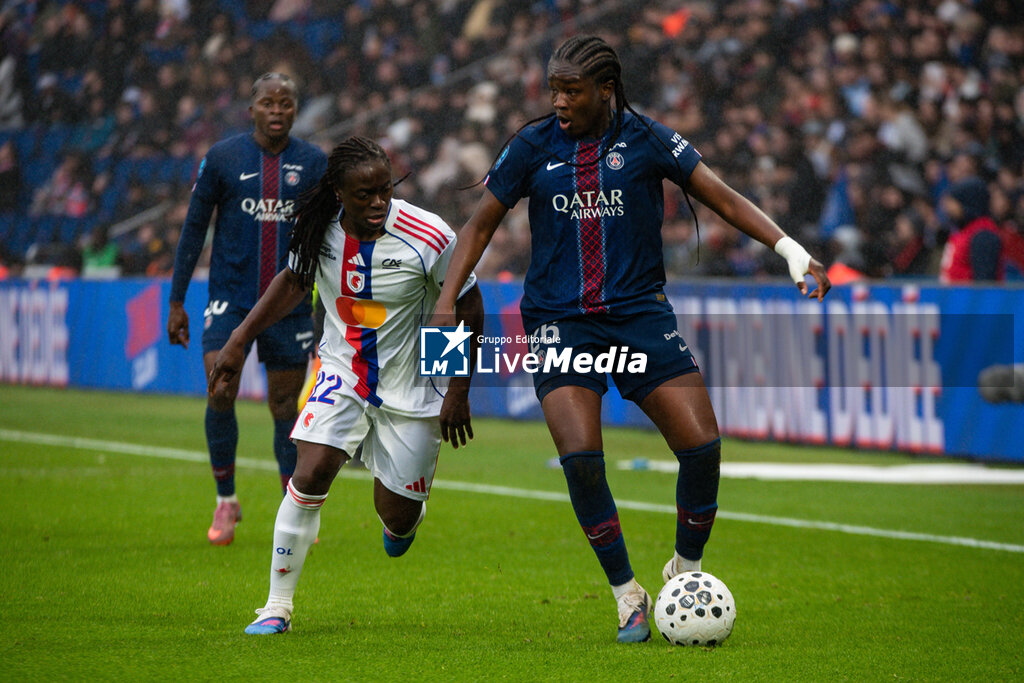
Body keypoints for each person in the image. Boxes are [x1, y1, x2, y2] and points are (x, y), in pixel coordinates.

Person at [432, 35, 830, 643]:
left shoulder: (648, 140)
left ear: (605, 90)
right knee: (582, 459)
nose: (560, 101)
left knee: (701, 448)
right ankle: (627, 595)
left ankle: (684, 573)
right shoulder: (532, 146)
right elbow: (480, 224)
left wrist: (790, 251)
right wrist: (443, 301)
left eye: (573, 90)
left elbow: (720, 196)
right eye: (555, 89)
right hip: (561, 324)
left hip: (640, 317)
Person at [208, 136, 483, 635]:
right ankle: (276, 607)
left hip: (414, 385)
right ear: (337, 191)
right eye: (364, 195)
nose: (378, 202)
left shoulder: (429, 234)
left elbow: (466, 305)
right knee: (308, 474)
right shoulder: (317, 229)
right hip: (343, 371)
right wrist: (239, 338)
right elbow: (293, 283)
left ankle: (404, 521)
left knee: (396, 516)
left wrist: (458, 388)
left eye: (385, 190)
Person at [167, 73, 327, 545]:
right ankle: (225, 502)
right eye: (267, 103)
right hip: (230, 301)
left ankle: (291, 511)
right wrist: (176, 300)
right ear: (251, 109)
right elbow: (194, 229)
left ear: (295, 110)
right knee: (219, 390)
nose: (277, 111)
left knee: (283, 406)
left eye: (286, 103)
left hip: (290, 304)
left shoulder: (313, 163)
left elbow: (329, 236)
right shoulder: (222, 159)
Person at [938, 176, 1004, 282]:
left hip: (969, 297)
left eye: (953, 203)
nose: (948, 208)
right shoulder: (965, 231)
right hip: (953, 296)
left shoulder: (983, 235)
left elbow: (984, 283)